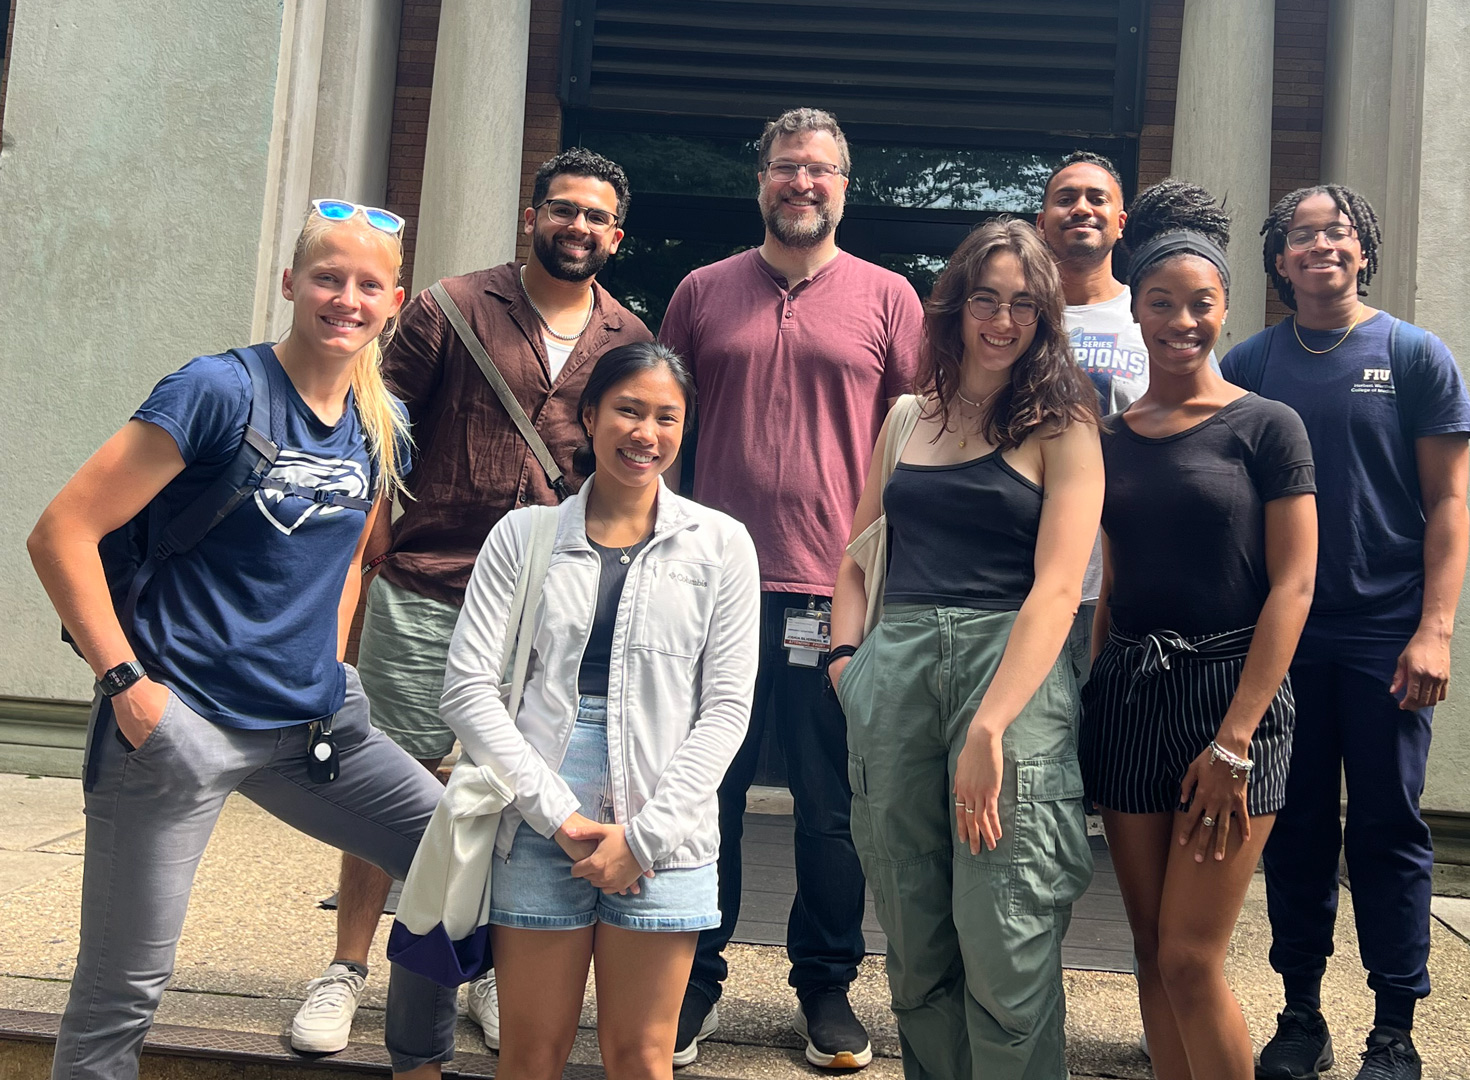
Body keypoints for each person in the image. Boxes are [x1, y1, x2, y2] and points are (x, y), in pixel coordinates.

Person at [28, 202, 457, 1079]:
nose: (346, 297)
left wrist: (333, 672)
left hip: (307, 732)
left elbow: (346, 565)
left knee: (454, 856)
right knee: (125, 990)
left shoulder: (384, 424)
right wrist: (129, 688)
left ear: (395, 300)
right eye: (328, 277)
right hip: (177, 726)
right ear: (291, 282)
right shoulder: (219, 390)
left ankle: (418, 1060)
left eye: (367, 284)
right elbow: (61, 532)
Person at [295, 148, 651, 1053]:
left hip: (548, 603)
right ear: (533, 214)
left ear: (617, 234)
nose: (577, 226)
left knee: (514, 791)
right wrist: (350, 562)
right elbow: (376, 431)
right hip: (429, 581)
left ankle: (484, 967)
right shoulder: (450, 306)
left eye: (595, 216)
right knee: (391, 781)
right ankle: (347, 967)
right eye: (561, 208)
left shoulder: (629, 338)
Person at [657, 107, 923, 1068]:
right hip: (711, 590)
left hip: (836, 592)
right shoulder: (699, 292)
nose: (801, 183)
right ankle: (692, 980)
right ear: (760, 180)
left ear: (846, 185)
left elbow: (921, 445)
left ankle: (826, 988)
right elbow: (659, 432)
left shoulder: (891, 299)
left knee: (831, 805)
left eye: (819, 170)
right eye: (785, 168)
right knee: (704, 794)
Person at [437, 342, 760, 1079]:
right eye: (628, 410)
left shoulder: (721, 545)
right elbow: (467, 687)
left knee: (643, 1057)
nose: (645, 432)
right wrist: (561, 817)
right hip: (537, 809)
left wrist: (644, 839)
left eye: (666, 417)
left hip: (667, 818)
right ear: (590, 416)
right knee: (530, 1054)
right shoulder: (524, 535)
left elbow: (726, 709)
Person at [828, 218, 1103, 1080]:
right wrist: (847, 664)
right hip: (897, 671)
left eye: (1025, 303)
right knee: (914, 942)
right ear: (955, 303)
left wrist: (990, 728)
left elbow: (1060, 590)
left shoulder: (1065, 424)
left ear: (1045, 317)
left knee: (1006, 940)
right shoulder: (910, 415)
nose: (1002, 318)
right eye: (985, 296)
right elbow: (860, 549)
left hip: (1009, 672)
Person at [1223, 184, 1470, 1080]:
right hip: (1282, 639)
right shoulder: (1251, 362)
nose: (1320, 245)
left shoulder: (1413, 355)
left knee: (1386, 827)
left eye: (1336, 232)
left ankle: (1393, 1029)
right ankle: (1301, 1017)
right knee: (1291, 828)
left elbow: (1449, 503)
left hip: (1386, 640)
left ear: (1363, 248)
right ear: (1279, 259)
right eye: (1301, 235)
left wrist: (1435, 629)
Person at [1078, 180, 1318, 1080]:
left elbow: (1294, 586)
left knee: (1190, 956)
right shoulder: (1106, 437)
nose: (1182, 320)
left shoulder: (1267, 426)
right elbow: (1111, 582)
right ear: (1133, 312)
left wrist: (1236, 738)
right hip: (1132, 693)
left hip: (1232, 699)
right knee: (1147, 951)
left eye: (1201, 304)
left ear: (1226, 309)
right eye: (1162, 303)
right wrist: (1099, 689)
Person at [1034, 150, 1139, 690]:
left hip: (1126, 585)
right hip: (1024, 583)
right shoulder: (1016, 319)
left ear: (1121, 222)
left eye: (1097, 199)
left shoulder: (1157, 317)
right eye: (1065, 198)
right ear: (1041, 222)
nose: (1081, 208)